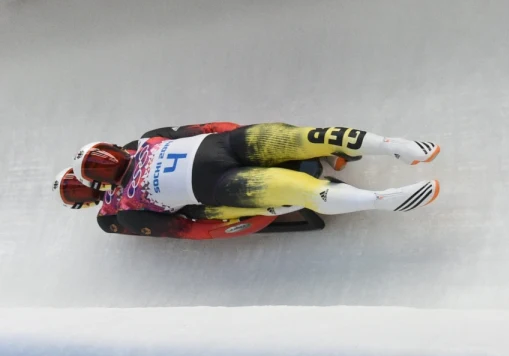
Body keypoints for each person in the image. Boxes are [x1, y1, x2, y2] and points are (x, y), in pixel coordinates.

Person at [52, 121, 440, 238]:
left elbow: (200, 126)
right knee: (302, 190)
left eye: (106, 157)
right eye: (100, 168)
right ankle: (384, 199)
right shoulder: (125, 210)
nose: (110, 164)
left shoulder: (143, 141)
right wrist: (235, 222)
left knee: (307, 137)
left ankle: (395, 145)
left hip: (228, 146)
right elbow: (187, 228)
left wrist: (235, 130)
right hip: (220, 187)